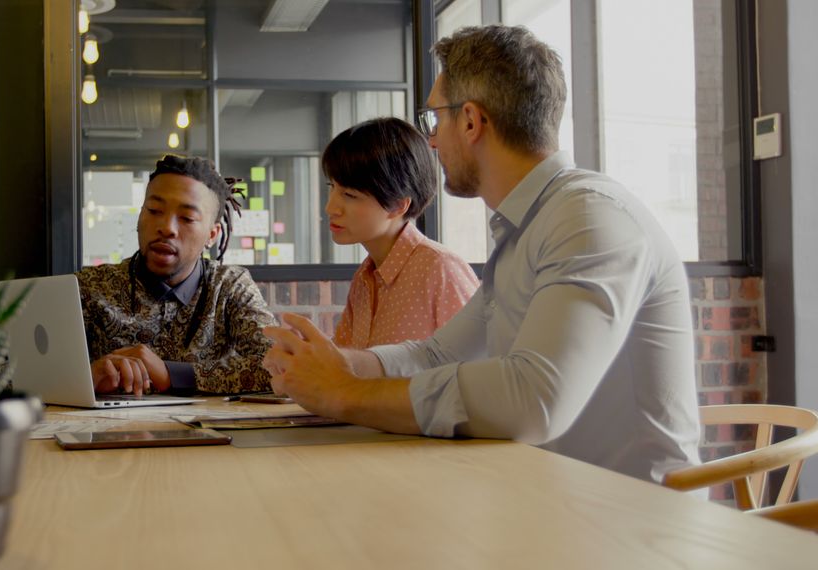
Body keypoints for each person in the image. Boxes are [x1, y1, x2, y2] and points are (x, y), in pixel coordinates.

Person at [263, 25, 702, 484]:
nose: (430, 141)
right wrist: (340, 366)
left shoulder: (587, 218)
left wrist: (344, 393)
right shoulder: (528, 224)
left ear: (471, 121)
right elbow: (438, 354)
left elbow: (536, 399)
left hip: (628, 524)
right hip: (546, 499)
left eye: (435, 119)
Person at [77, 155, 275, 396]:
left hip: (210, 432)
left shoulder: (229, 287)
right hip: (110, 432)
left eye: (187, 218)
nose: (167, 228)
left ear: (212, 235)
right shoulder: (89, 288)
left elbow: (280, 366)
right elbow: (28, 375)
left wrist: (172, 374)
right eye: (154, 210)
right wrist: (87, 377)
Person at [324, 117, 478, 349]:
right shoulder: (365, 278)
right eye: (332, 188)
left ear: (398, 205)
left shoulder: (440, 270)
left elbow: (476, 372)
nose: (330, 208)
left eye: (350, 195)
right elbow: (350, 370)